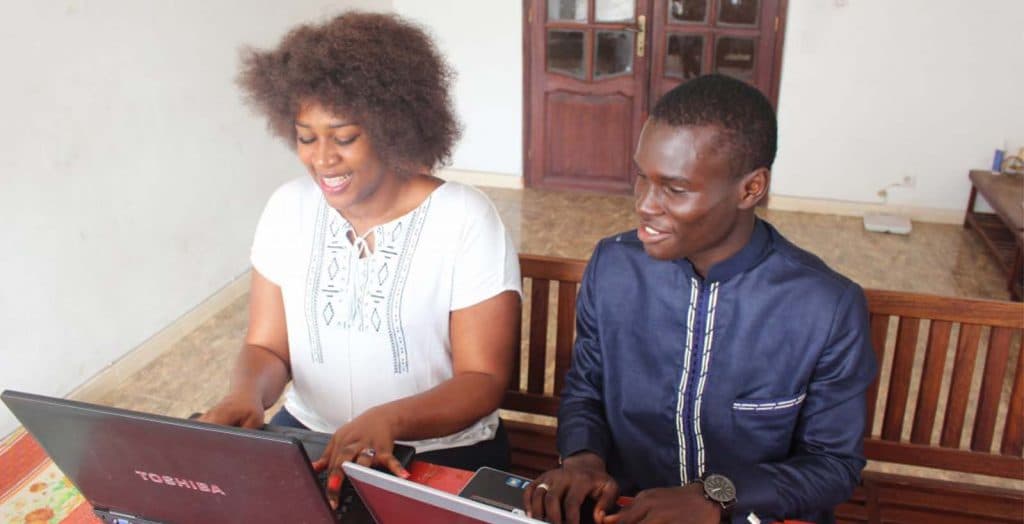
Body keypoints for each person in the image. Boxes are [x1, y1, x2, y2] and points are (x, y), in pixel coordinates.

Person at [199, 12, 521, 510]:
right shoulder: (288, 208)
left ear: (393, 128)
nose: (321, 159)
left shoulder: (464, 218)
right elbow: (267, 346)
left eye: (343, 137)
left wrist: (390, 420)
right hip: (311, 436)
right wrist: (246, 394)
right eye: (307, 137)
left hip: (439, 448)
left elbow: (482, 381)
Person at [524, 74, 877, 524]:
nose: (646, 205)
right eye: (641, 179)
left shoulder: (825, 307)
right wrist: (582, 456)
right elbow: (588, 388)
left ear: (751, 189)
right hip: (626, 511)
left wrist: (719, 496)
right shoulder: (614, 267)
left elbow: (832, 464)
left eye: (675, 188)